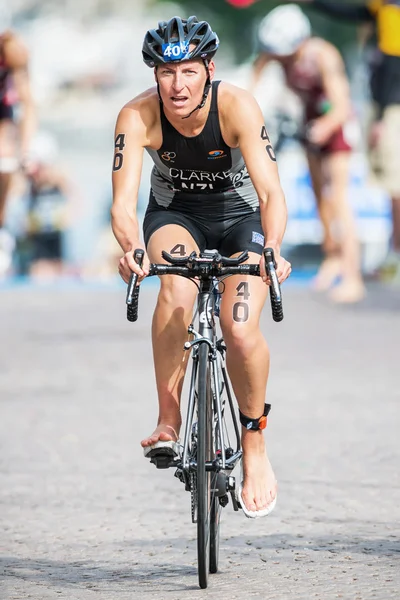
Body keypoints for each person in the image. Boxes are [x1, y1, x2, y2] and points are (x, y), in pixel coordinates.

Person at [111, 16, 291, 518]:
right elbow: (124, 206)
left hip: (241, 217)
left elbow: (272, 191)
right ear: (154, 76)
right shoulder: (136, 116)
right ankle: (169, 420)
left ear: (209, 68)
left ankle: (254, 442)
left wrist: (272, 247)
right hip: (176, 216)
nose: (177, 84)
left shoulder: (236, 105)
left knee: (238, 327)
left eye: (188, 71)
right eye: (166, 72)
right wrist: (131, 247)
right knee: (174, 290)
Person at [250, 4, 365, 302]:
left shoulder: (323, 55)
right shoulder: (276, 54)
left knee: (338, 198)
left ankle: (353, 276)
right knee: (319, 199)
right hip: (309, 123)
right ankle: (332, 256)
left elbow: (341, 105)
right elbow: (253, 84)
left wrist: (323, 128)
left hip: (335, 127)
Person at [286, 0, 400, 281]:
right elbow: (348, 11)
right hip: (384, 105)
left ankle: (396, 254)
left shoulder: (391, 12)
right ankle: (394, 252)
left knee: (395, 185)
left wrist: (382, 115)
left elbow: (393, 65)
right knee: (389, 186)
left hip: (392, 107)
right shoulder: (379, 10)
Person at [0, 15, 36, 275]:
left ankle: (2, 229)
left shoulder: (12, 55)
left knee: (6, 154)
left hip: (4, 121)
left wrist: (24, 150)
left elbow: (29, 108)